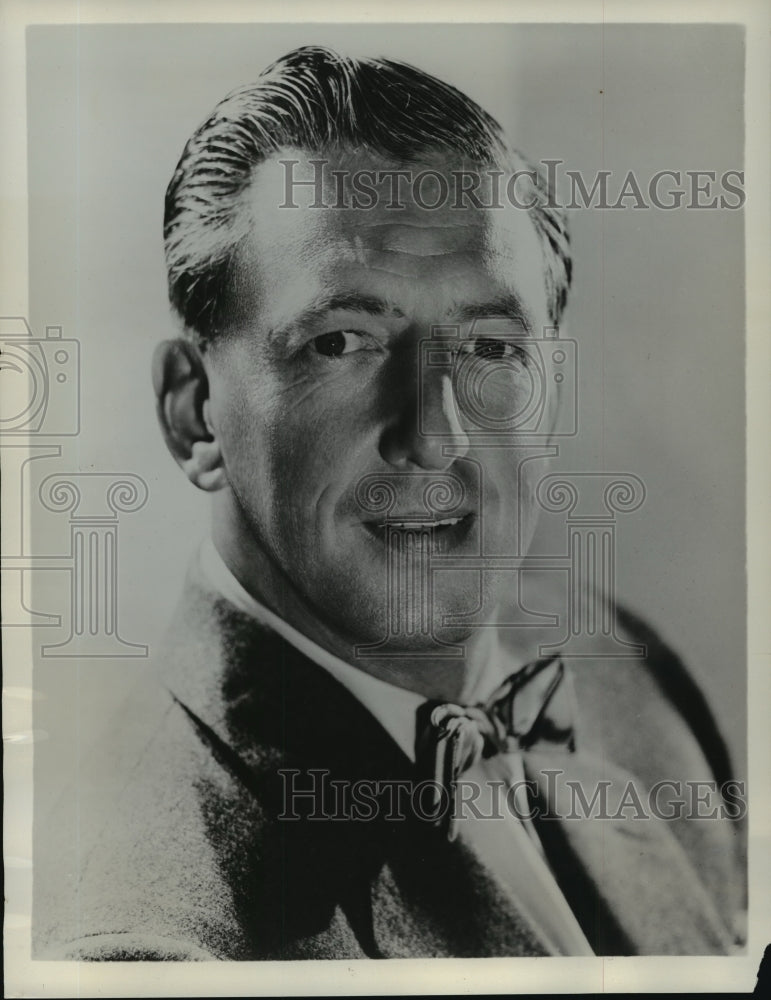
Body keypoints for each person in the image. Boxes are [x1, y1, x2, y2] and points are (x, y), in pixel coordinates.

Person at [34, 46, 744, 960]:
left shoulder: (629, 685)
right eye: (340, 343)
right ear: (194, 411)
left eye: (490, 348)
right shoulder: (150, 946)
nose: (435, 435)